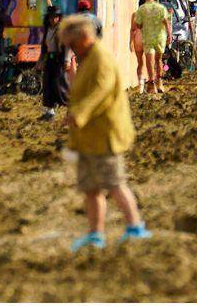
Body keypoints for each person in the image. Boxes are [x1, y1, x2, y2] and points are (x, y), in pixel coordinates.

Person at [60, 14, 151, 251]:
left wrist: (78, 114)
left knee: (115, 183)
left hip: (106, 134)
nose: (71, 49)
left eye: (72, 44)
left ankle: (134, 227)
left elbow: (100, 91)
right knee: (91, 188)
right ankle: (95, 234)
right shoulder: (87, 58)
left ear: (85, 38)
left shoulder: (101, 58)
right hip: (88, 137)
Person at [134, 0, 171, 94]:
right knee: (159, 60)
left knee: (149, 61)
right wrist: (169, 35)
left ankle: (151, 84)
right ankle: (159, 82)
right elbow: (166, 22)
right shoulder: (161, 8)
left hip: (148, 38)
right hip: (160, 38)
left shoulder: (141, 9)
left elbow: (138, 25)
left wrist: (146, 26)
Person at [39, 6, 70, 121]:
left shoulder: (62, 30)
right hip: (50, 60)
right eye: (51, 17)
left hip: (59, 60)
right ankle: (49, 111)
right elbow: (45, 46)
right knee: (47, 85)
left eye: (56, 17)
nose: (53, 19)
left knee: (60, 86)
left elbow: (67, 46)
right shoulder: (48, 29)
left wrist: (67, 60)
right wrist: (40, 60)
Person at [129, 0, 146, 94]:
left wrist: (130, 42)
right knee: (151, 62)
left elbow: (132, 30)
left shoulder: (135, 14)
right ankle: (151, 82)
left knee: (140, 63)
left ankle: (141, 86)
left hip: (138, 38)